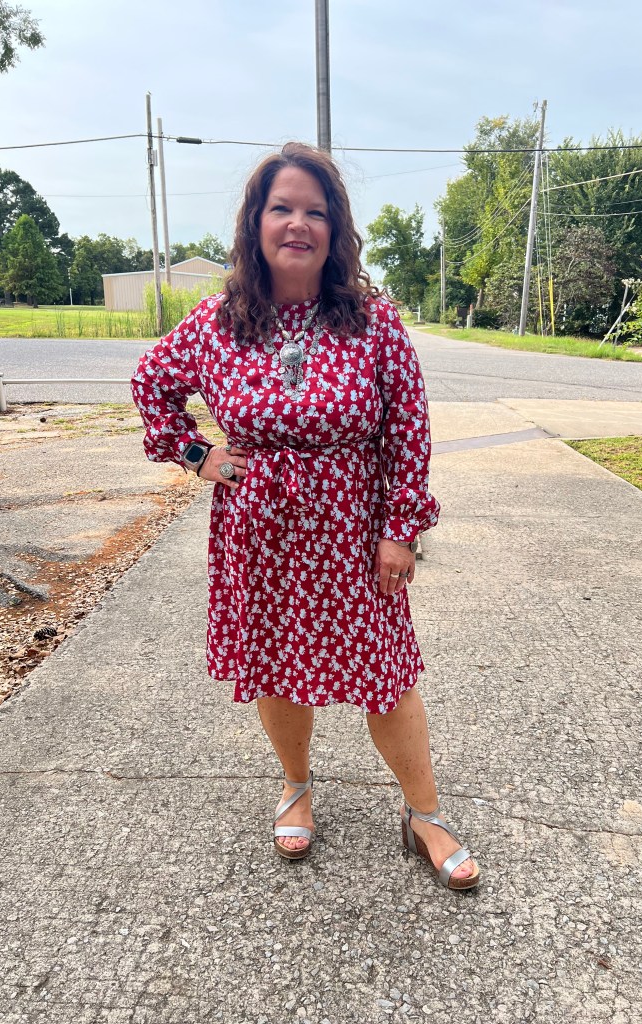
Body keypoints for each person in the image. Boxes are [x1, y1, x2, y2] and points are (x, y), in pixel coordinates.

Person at [131, 142, 479, 890]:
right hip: (257, 532)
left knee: (386, 671)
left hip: (352, 532)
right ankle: (296, 786)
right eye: (282, 208)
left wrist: (400, 531)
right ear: (255, 222)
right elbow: (151, 382)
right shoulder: (218, 321)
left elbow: (408, 429)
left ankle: (424, 812)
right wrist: (197, 455)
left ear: (335, 229)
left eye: (315, 212)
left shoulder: (373, 321)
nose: (298, 224)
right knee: (275, 663)